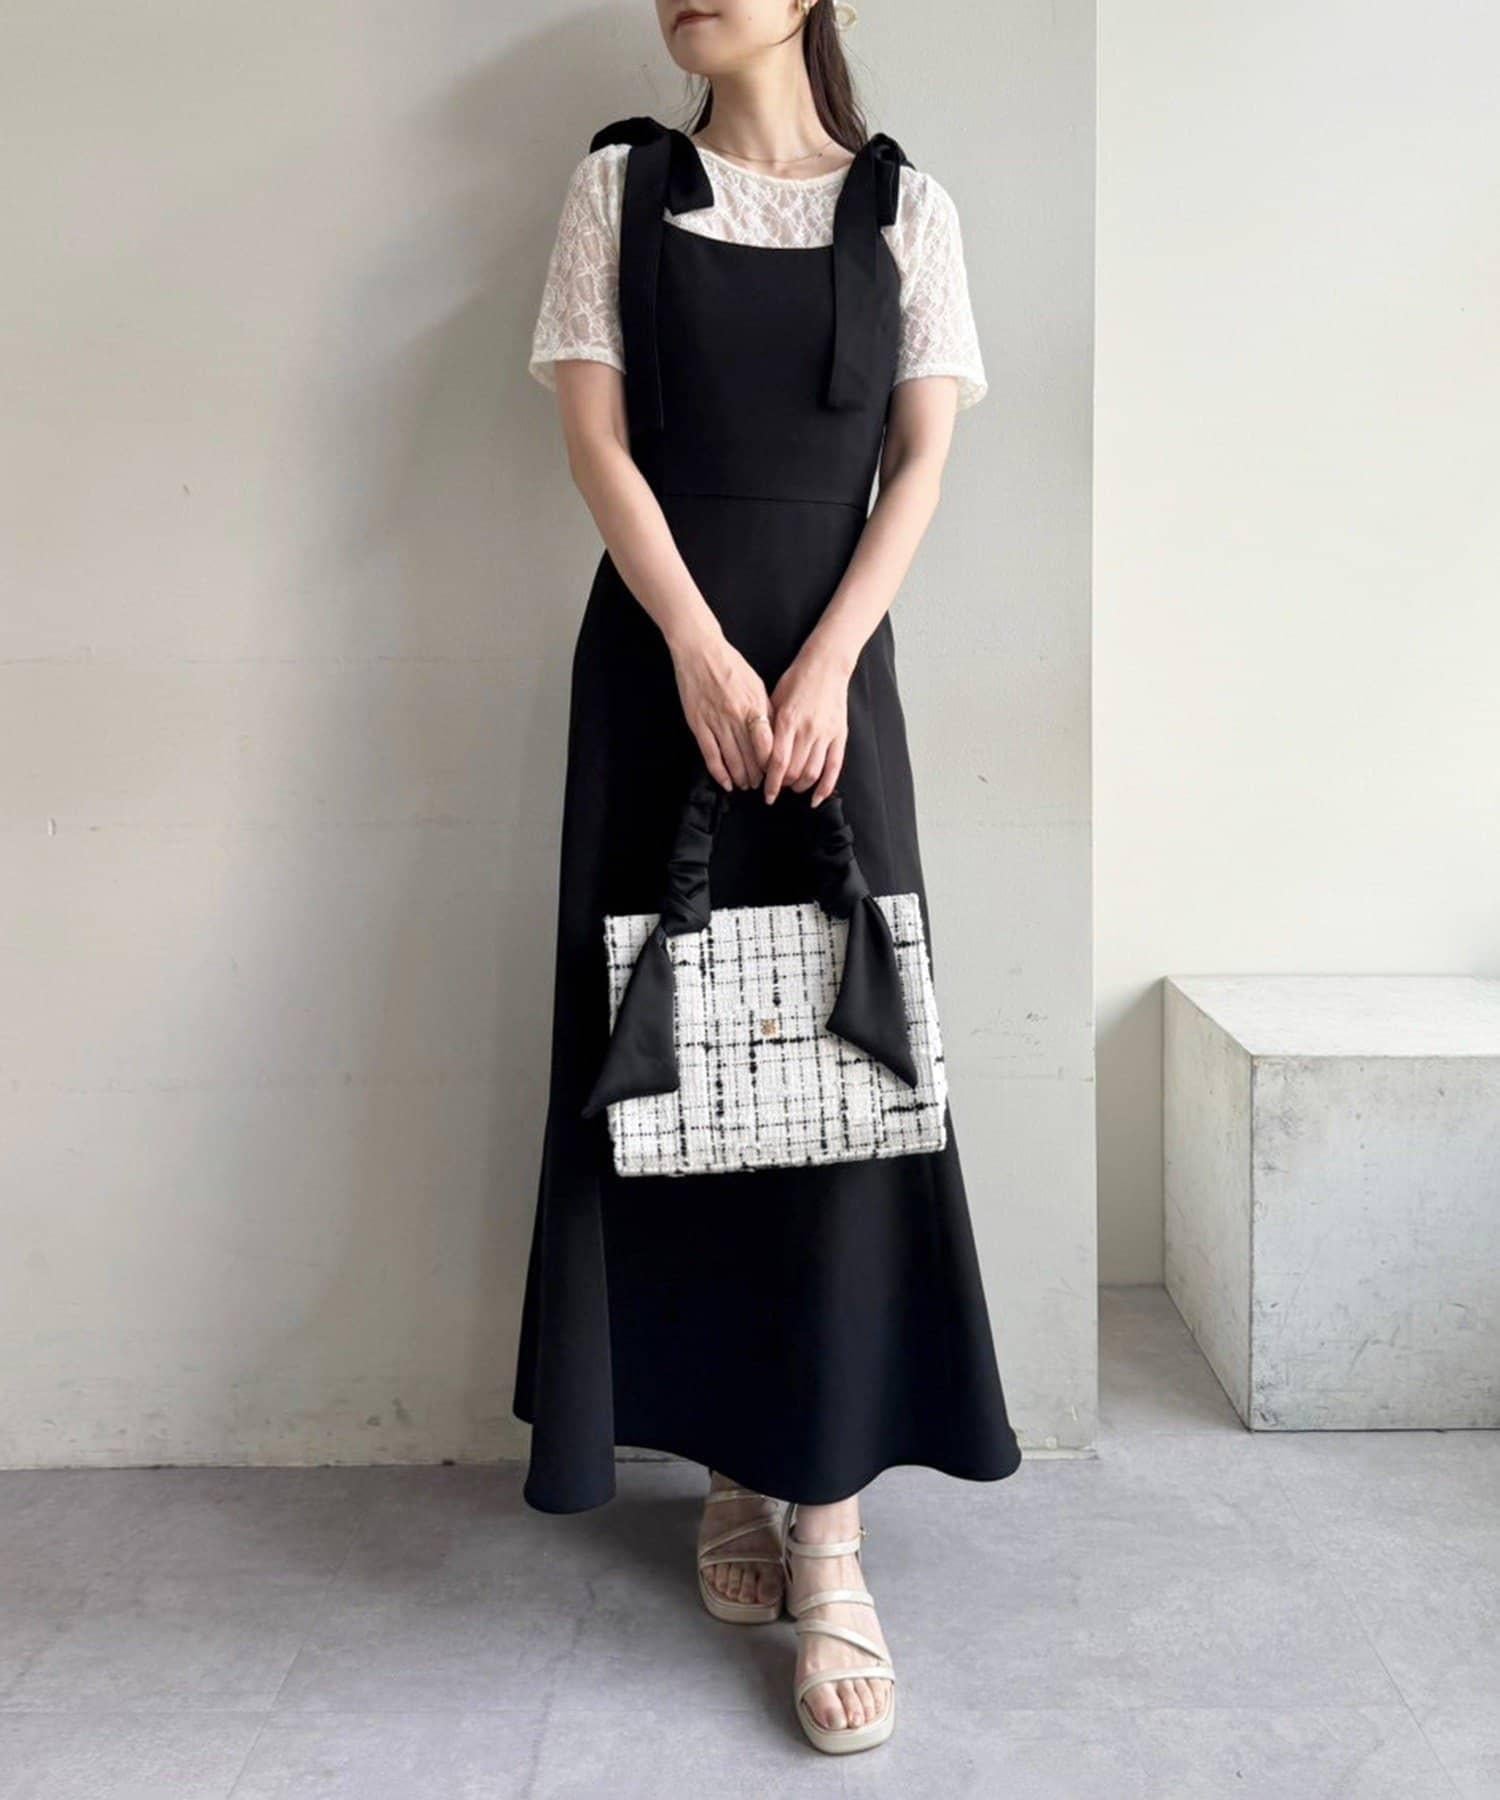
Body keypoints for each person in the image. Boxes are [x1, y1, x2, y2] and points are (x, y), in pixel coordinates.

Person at [514, 0, 1022, 1754]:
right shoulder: (619, 189)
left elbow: (921, 460)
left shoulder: (909, 210)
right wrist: (701, 653)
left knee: (844, 1067)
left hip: (833, 679)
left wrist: (820, 666)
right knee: (679, 1068)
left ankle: (831, 1536)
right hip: (659, 672)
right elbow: (598, 445)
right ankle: (734, 1463)